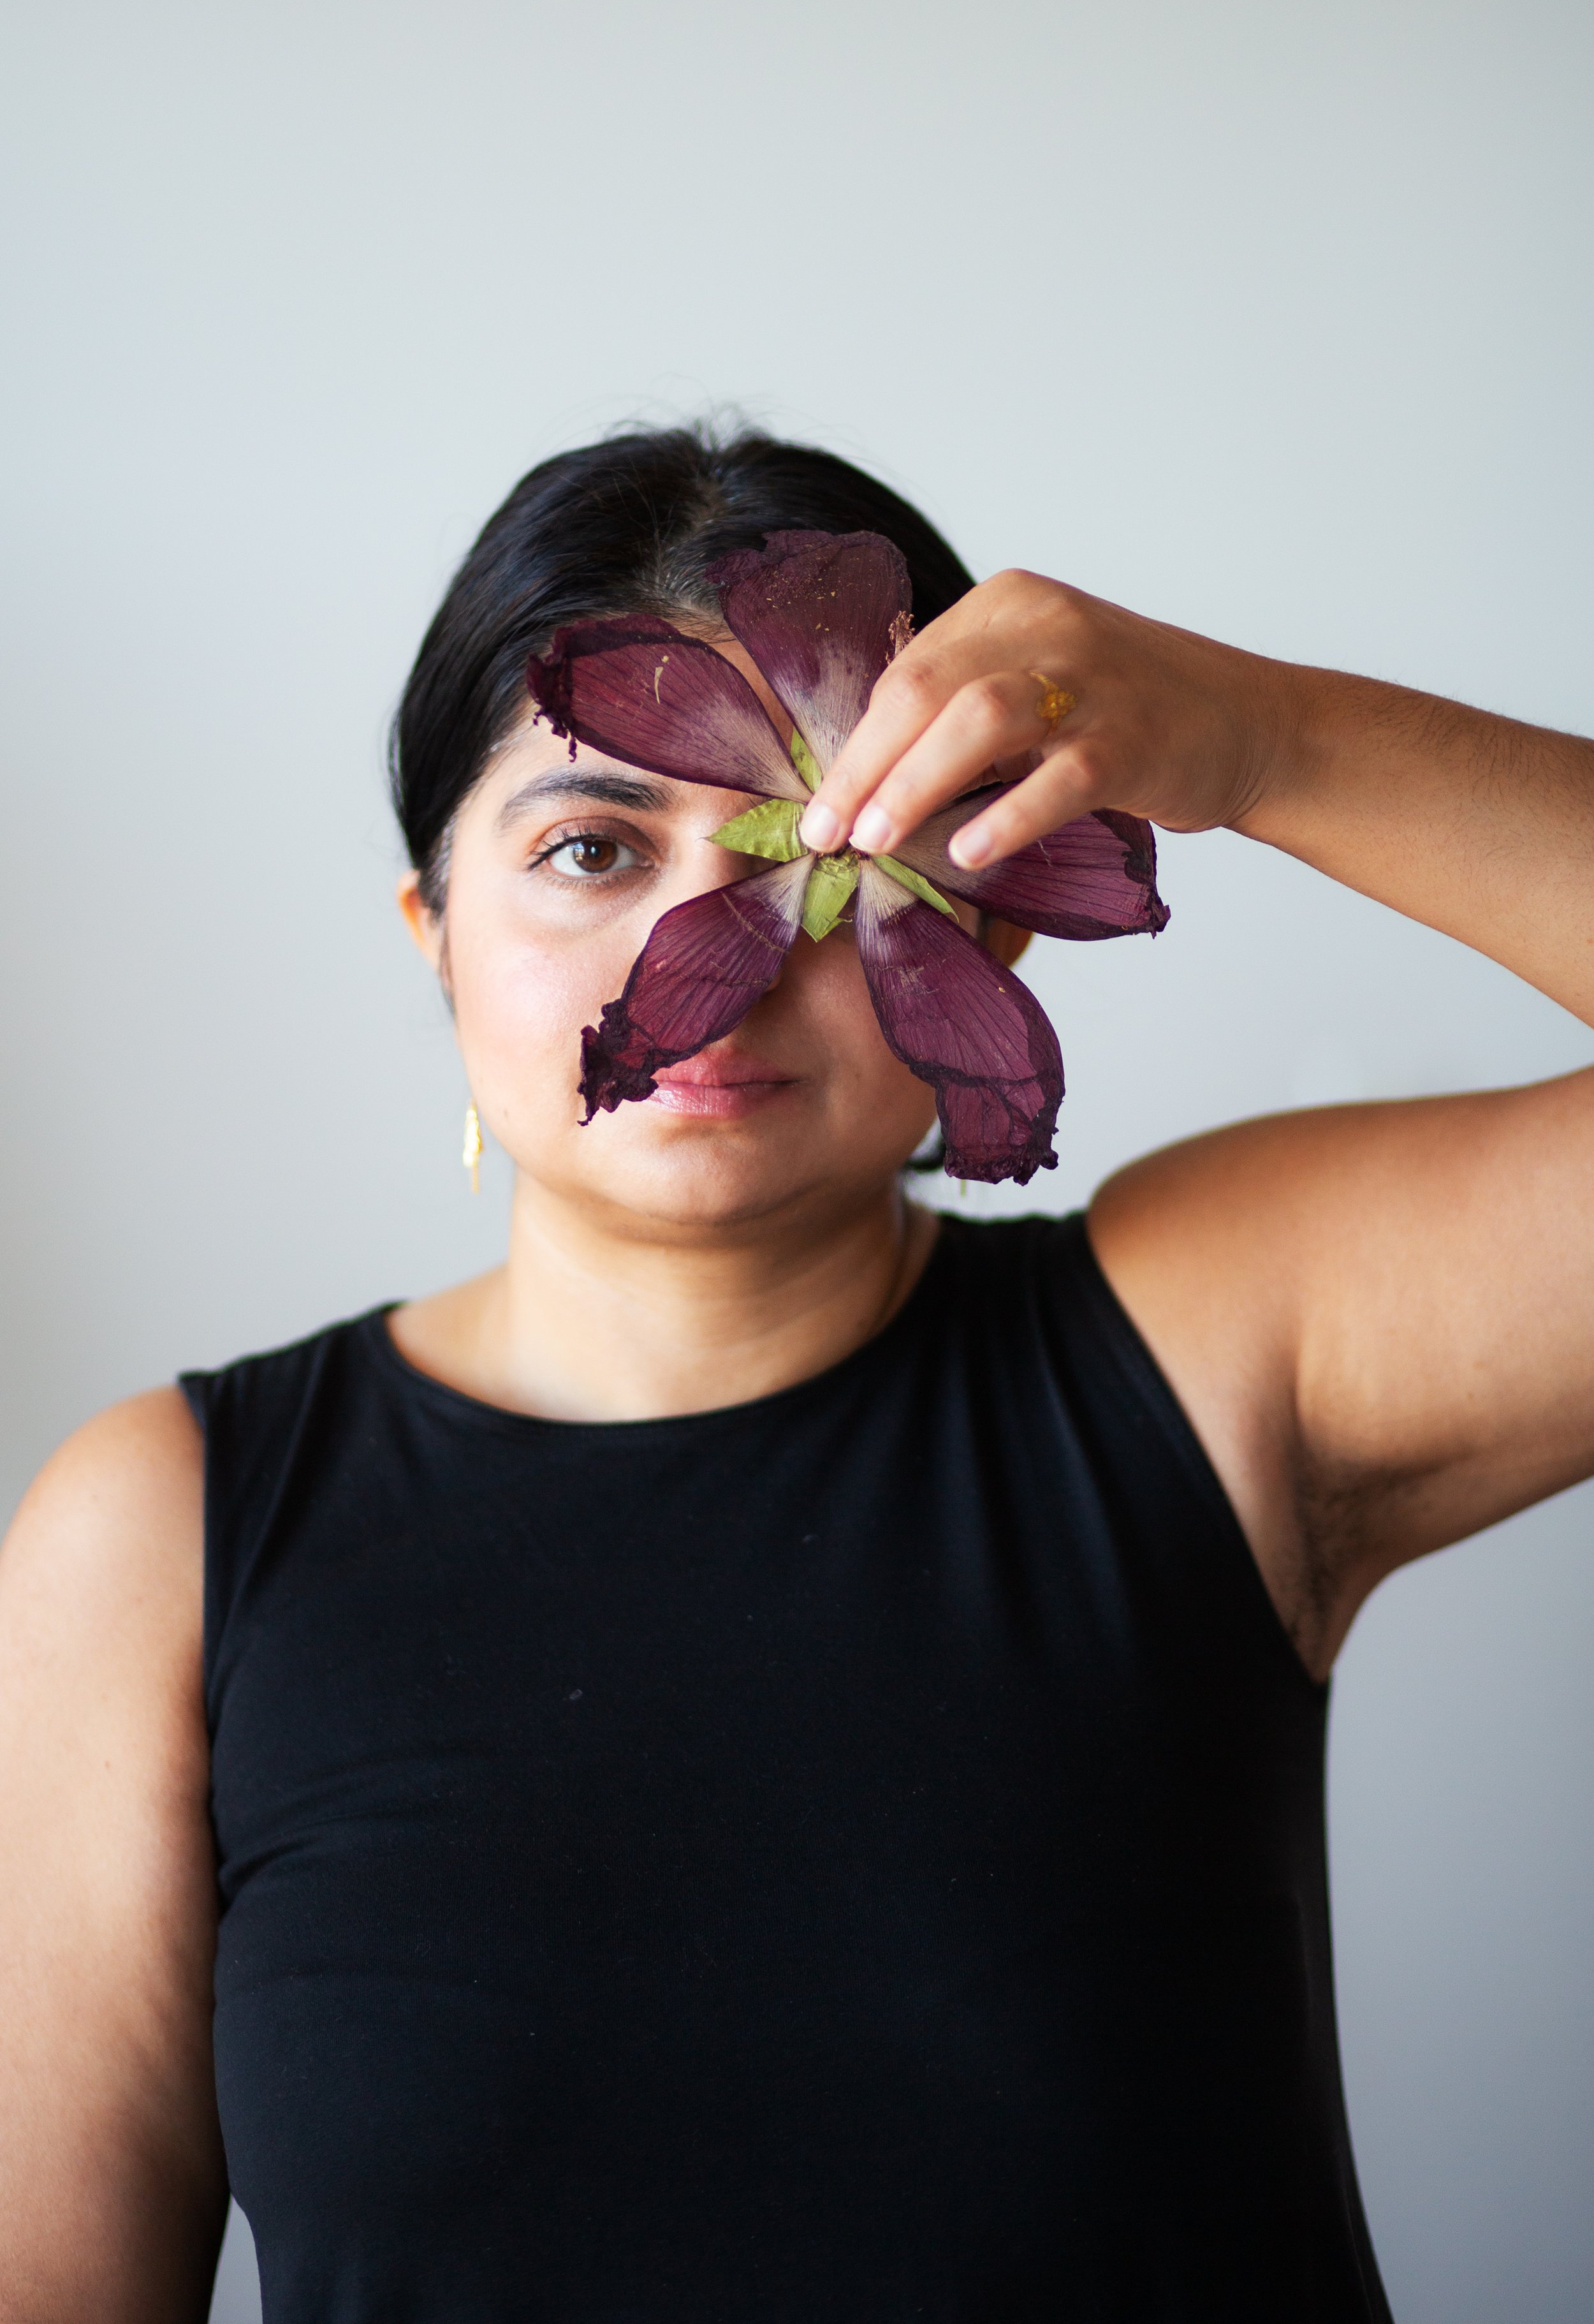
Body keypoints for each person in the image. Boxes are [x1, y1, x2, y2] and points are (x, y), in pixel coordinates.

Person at [1, 425, 1590, 2324]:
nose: (717, 953)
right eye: (589, 848)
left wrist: (1267, 740)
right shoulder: (159, 1529)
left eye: (829, 844)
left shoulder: (1221, 1350)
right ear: (437, 946)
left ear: (995, 915)